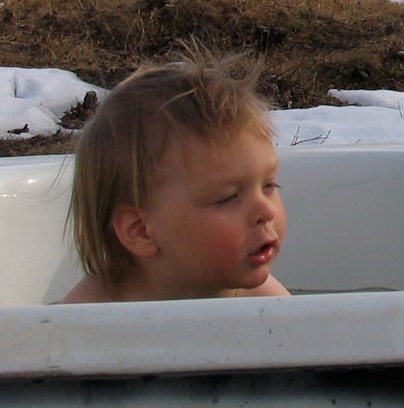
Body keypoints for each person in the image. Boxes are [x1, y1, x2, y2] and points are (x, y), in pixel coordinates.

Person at [59, 51, 289, 303]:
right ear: (141, 230)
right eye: (228, 197)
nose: (265, 211)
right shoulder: (88, 315)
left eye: (269, 185)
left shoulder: (263, 301)